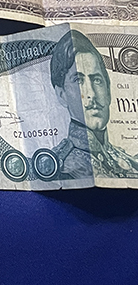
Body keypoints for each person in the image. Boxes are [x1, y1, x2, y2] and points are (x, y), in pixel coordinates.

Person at [50, 30, 138, 179]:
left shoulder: (130, 162)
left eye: (97, 80)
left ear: (108, 91)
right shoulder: (61, 169)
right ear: (61, 95)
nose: (91, 93)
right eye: (79, 80)